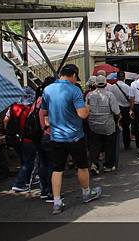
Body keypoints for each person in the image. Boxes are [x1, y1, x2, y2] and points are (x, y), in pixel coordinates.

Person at [42, 64, 102, 215]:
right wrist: (87, 108)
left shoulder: (47, 89)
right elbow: (82, 114)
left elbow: (44, 114)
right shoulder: (74, 90)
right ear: (74, 76)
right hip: (75, 136)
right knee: (81, 166)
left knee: (57, 169)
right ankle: (87, 193)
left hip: (56, 137)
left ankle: (57, 202)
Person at [4, 87, 38, 193]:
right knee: (28, 161)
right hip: (28, 138)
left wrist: (10, 131)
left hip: (15, 138)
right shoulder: (29, 109)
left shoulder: (13, 106)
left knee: (24, 160)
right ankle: (19, 183)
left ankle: (27, 180)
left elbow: (5, 120)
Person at [86, 75, 120, 174]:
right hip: (107, 124)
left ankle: (94, 164)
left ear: (95, 84)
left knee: (94, 145)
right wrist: (119, 118)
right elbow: (116, 111)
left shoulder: (89, 95)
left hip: (93, 125)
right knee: (110, 144)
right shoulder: (110, 95)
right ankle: (108, 165)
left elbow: (87, 109)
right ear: (105, 84)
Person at [36, 76, 56, 202]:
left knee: (42, 164)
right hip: (48, 134)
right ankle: (51, 192)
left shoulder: (36, 100)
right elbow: (47, 119)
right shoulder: (47, 101)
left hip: (37, 136)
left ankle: (43, 190)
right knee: (52, 165)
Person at [106, 71, 135, 150]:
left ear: (117, 77)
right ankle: (127, 144)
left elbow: (109, 98)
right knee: (126, 127)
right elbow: (131, 98)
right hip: (125, 109)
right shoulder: (128, 87)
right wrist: (131, 109)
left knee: (115, 126)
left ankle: (114, 144)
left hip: (115, 108)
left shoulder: (112, 87)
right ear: (124, 77)